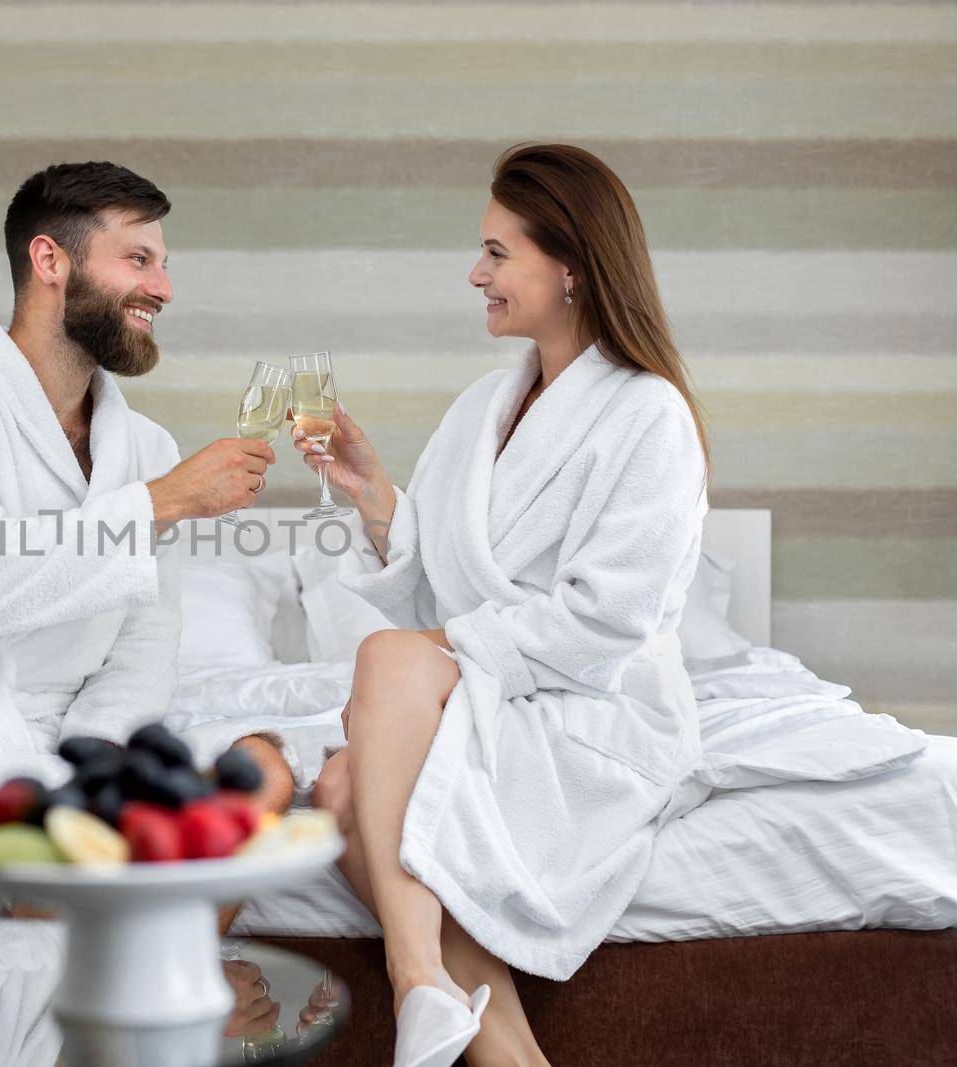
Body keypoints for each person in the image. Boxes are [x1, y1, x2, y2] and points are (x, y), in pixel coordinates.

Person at [301, 144, 711, 1067]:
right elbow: (442, 578)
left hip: (588, 707)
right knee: (332, 790)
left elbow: (609, 622)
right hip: (497, 694)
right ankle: (496, 1044)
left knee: (387, 672)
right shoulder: (484, 406)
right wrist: (373, 495)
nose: (475, 274)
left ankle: (417, 983)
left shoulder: (650, 415)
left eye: (496, 253)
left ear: (569, 265)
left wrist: (434, 657)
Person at [0, 161, 297, 914]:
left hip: (66, 751)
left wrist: (94, 764)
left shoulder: (146, 445)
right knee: (65, 850)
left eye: (164, 264)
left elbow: (142, 654)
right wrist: (164, 501)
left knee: (264, 766)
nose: (164, 287)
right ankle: (182, 967)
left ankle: (149, 917)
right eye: (138, 259)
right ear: (50, 259)